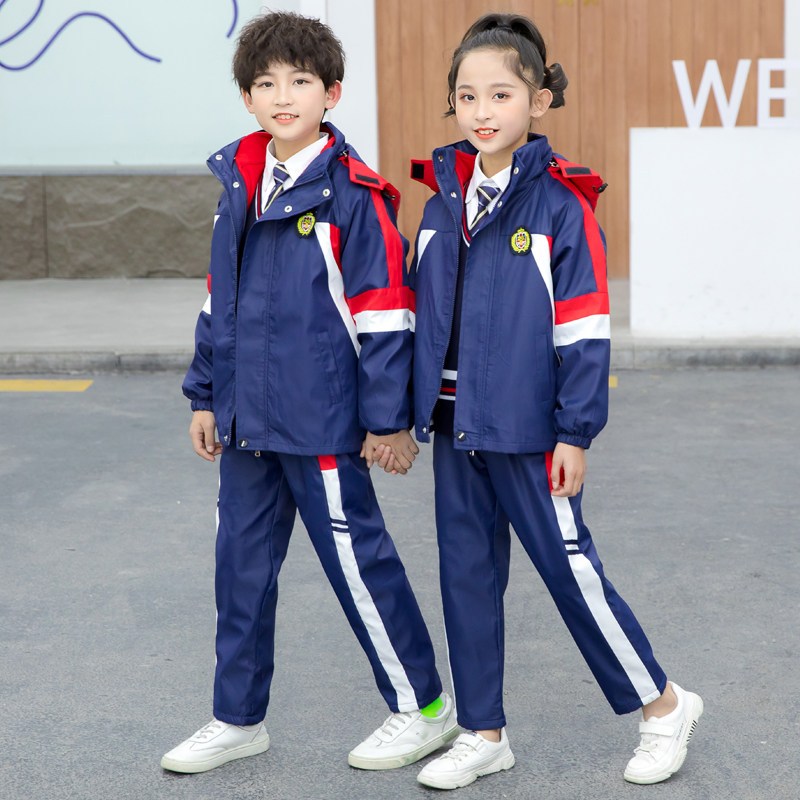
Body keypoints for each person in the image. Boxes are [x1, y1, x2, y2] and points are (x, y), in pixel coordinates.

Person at [404, 12, 703, 790]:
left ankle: (664, 706)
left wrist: (575, 431)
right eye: (467, 96)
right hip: (455, 427)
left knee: (570, 572)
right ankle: (483, 733)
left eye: (501, 94)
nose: (482, 111)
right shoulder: (439, 204)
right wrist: (398, 415)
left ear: (538, 102)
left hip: (531, 431)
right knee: (466, 578)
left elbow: (584, 330)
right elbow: (421, 318)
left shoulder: (560, 207)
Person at [163, 11, 457, 776]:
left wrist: (387, 422)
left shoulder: (355, 196)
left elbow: (385, 317)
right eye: (266, 84)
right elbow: (219, 301)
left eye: (300, 82)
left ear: (332, 92)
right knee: (240, 574)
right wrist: (205, 395)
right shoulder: (238, 185)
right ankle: (237, 718)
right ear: (247, 98)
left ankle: (423, 708)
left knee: (361, 567)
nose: (283, 96)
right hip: (246, 424)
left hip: (323, 423)